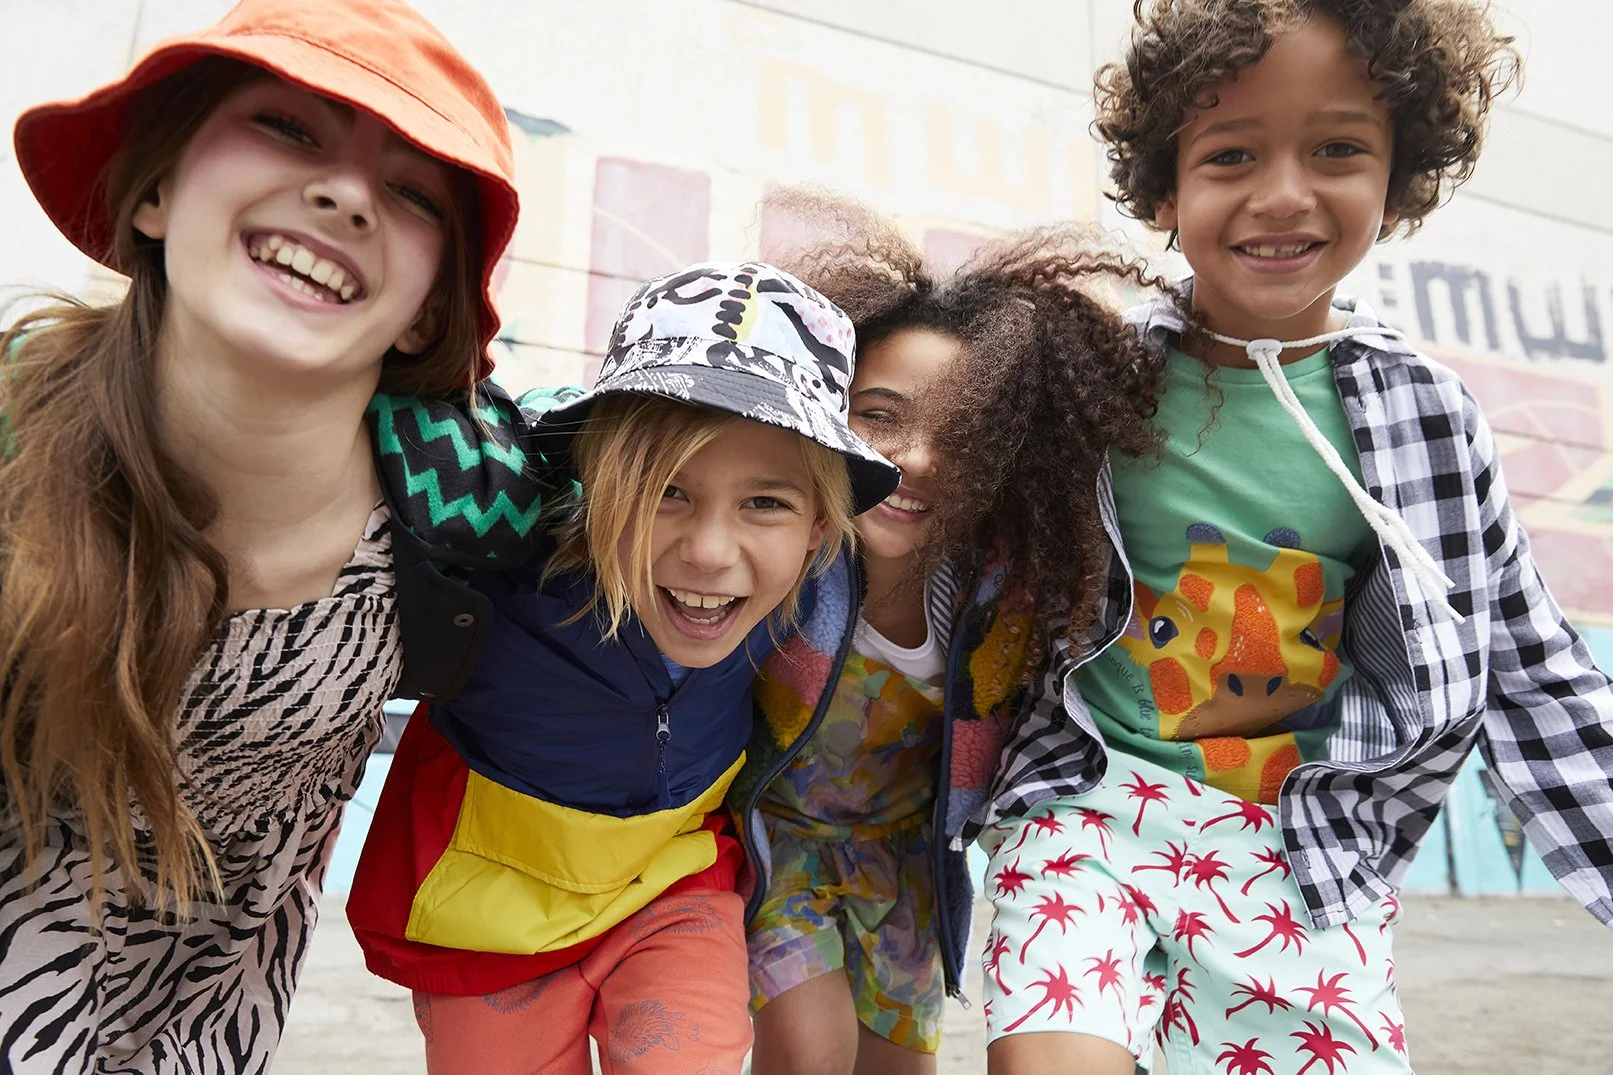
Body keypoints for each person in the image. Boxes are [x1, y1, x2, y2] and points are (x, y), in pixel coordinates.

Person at [974, 4, 1606, 1074]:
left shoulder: (1423, 417)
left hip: (1294, 845)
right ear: (1164, 189)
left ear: (1398, 178)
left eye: (1336, 150)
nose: (1280, 193)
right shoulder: (1089, 384)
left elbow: (1528, 663)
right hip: (1086, 808)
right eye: (1229, 154)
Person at [0, 1, 517, 1070]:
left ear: (428, 311)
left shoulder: (476, 513)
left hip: (212, 1031)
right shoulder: (12, 449)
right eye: (287, 126)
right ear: (152, 190)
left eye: (414, 190)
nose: (344, 193)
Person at [349, 261, 901, 1075]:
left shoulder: (807, 595)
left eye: (765, 503)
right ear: (594, 482)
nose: (710, 553)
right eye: (665, 492)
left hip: (672, 880)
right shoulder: (503, 568)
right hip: (488, 906)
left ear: (819, 531)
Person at [739, 196, 1166, 1074]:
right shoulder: (776, 556)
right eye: (880, 414)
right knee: (806, 1055)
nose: (917, 457)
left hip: (909, 877)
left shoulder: (1010, 591)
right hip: (773, 852)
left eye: (963, 437)